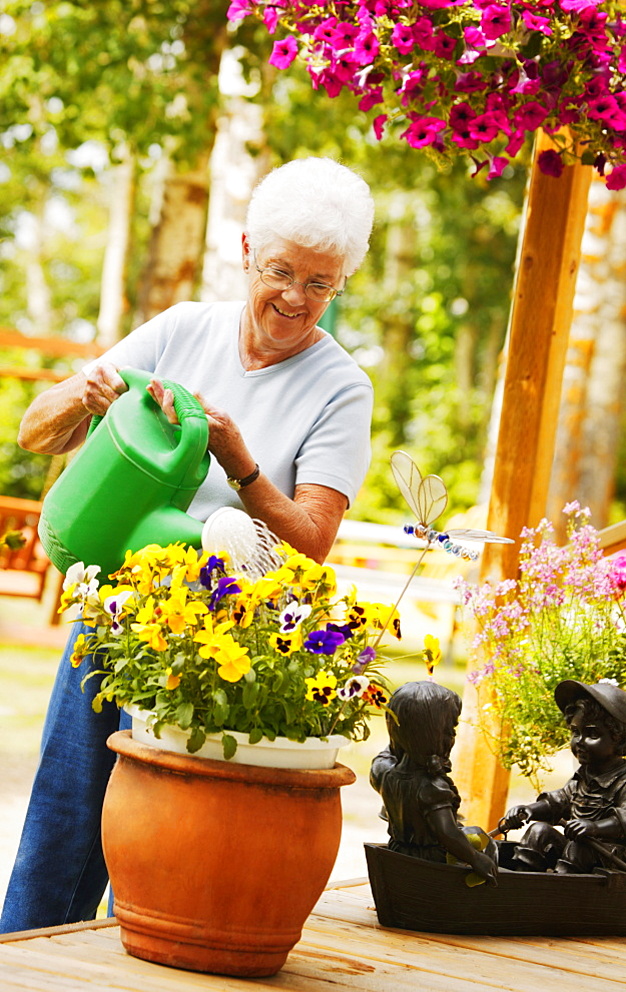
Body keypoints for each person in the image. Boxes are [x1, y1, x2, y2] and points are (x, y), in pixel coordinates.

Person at [1, 156, 375, 932]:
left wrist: (239, 460)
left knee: (159, 837)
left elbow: (310, 546)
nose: (296, 299)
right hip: (120, 613)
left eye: (321, 284)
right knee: (65, 818)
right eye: (281, 271)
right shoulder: (182, 330)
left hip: (222, 643)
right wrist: (86, 393)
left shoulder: (342, 387)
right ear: (246, 252)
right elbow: (36, 432)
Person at [370, 681, 498, 884]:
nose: (453, 737)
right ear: (434, 736)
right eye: (451, 730)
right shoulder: (432, 787)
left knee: (474, 834)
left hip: (398, 854)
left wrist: (403, 731)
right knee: (486, 843)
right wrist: (476, 859)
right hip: (430, 864)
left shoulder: (388, 775)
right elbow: (447, 833)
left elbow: (387, 754)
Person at [503, 679, 626, 873]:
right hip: (575, 850)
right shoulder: (582, 777)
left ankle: (560, 896)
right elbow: (558, 802)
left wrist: (594, 827)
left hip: (610, 859)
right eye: (575, 732)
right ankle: (521, 886)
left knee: (579, 848)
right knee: (538, 831)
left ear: (620, 741)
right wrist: (529, 810)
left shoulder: (622, 780)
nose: (580, 742)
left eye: (592, 734)